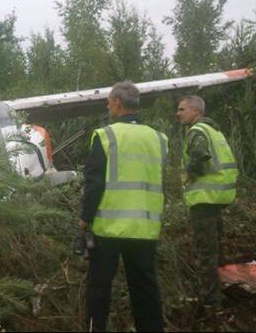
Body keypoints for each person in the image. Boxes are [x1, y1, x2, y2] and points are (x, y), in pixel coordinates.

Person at [79, 81, 168, 332]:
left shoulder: (105, 136)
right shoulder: (159, 138)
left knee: (99, 289)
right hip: (145, 228)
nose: (108, 106)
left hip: (109, 228)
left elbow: (94, 183)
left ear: (118, 103)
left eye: (109, 101)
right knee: (146, 290)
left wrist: (85, 217)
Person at [176, 95, 239, 312]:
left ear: (195, 111)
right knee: (217, 249)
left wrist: (189, 176)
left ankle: (211, 304)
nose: (178, 113)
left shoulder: (197, 131)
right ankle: (227, 289)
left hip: (205, 198)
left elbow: (200, 156)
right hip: (219, 197)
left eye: (181, 109)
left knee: (206, 253)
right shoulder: (215, 130)